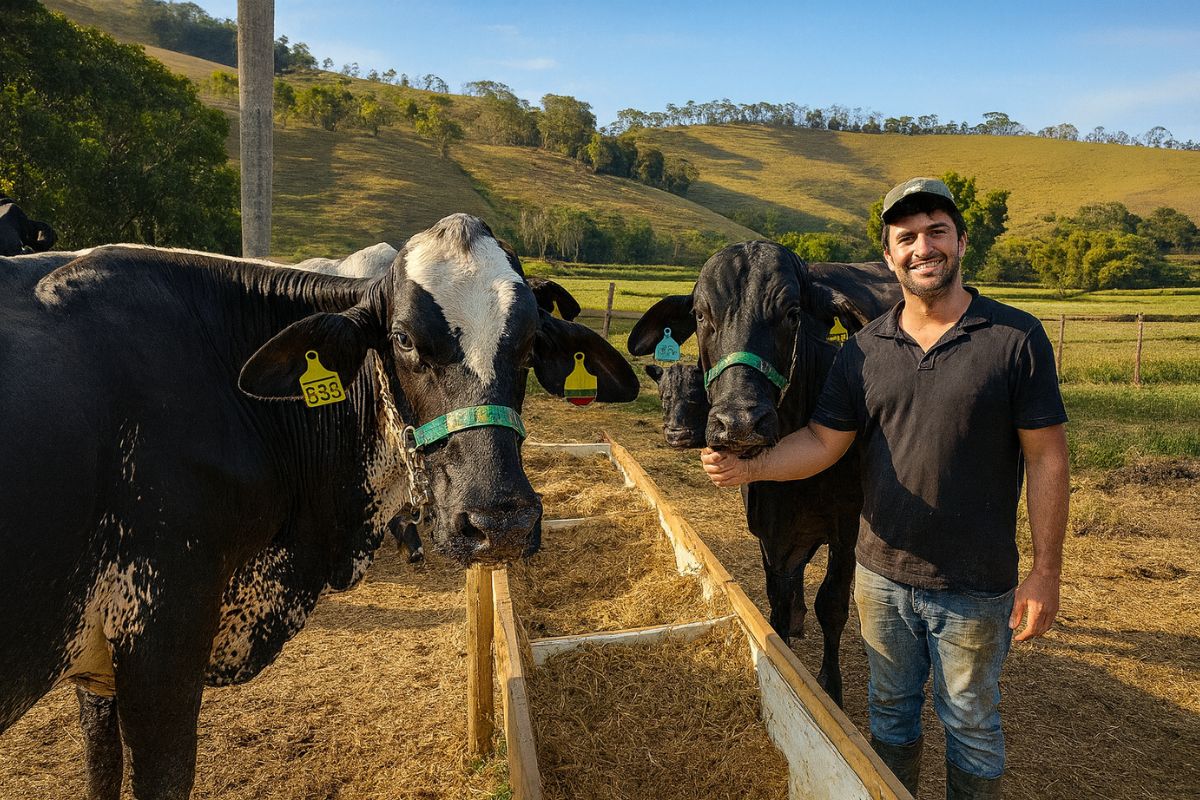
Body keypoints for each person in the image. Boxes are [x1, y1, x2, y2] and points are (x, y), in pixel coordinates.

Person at [701, 177, 1069, 799]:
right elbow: (824, 442)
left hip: (974, 581)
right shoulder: (864, 348)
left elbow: (1048, 458)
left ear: (961, 242)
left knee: (971, 723)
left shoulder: (1015, 337)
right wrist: (750, 469)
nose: (923, 248)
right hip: (880, 575)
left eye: (936, 232)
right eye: (907, 237)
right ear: (890, 254)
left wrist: (1045, 573)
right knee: (890, 712)